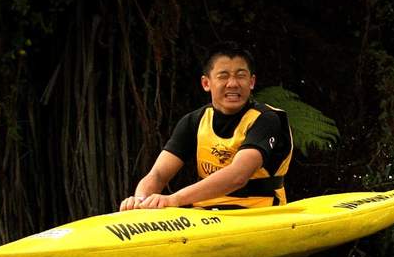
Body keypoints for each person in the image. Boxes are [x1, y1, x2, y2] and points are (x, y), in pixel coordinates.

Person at [120, 44, 293, 212]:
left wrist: (173, 200)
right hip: (206, 215)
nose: (232, 83)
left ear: (252, 82)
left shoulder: (267, 119)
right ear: (206, 83)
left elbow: (238, 176)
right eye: (223, 76)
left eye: (241, 76)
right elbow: (158, 174)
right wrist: (140, 202)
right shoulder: (193, 121)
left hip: (257, 211)